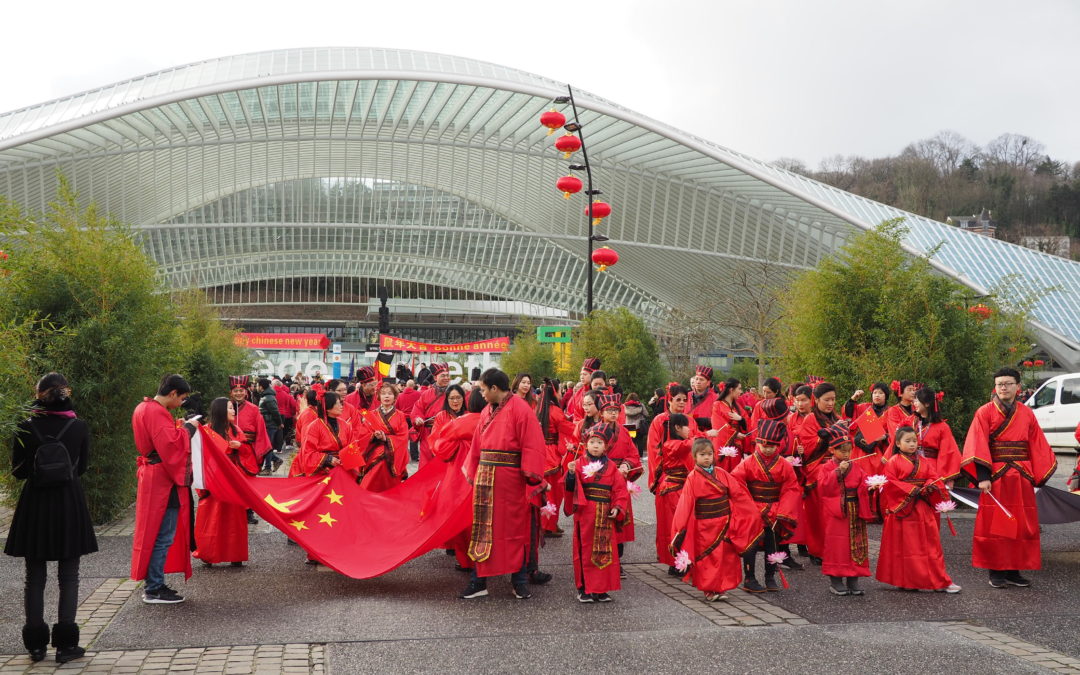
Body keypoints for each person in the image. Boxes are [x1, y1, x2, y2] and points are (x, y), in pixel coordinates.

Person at [6, 373, 97, 663]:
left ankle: (35, 645)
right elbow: (81, 467)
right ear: (66, 393)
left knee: (34, 578)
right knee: (69, 576)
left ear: (39, 393)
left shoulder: (26, 424)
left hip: (36, 505)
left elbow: (18, 471)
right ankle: (67, 645)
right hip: (69, 503)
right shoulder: (78, 425)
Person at [961, 367, 1057, 589]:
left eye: (1008, 383)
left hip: (1021, 477)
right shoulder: (984, 412)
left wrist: (1038, 475)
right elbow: (977, 443)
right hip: (996, 477)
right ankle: (996, 571)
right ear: (995, 388)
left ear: (1018, 387)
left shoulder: (1027, 413)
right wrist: (983, 476)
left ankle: (1014, 570)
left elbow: (1037, 444)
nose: (1003, 387)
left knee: (1020, 524)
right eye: (999, 384)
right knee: (998, 524)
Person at [460, 368, 545, 600]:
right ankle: (479, 582)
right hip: (486, 479)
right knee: (482, 529)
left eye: (483, 389)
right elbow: (477, 444)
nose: (481, 394)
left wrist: (530, 476)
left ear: (494, 388)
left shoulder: (520, 408)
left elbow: (532, 443)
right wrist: (474, 469)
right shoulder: (487, 409)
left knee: (514, 530)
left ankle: (519, 581)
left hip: (510, 480)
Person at [131, 374, 198, 605]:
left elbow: (163, 440)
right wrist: (188, 429)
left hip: (152, 473)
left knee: (152, 533)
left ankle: (154, 584)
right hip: (162, 477)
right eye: (182, 398)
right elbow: (170, 445)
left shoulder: (143, 407)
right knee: (163, 536)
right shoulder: (157, 412)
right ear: (172, 394)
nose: (182, 403)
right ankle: (154, 587)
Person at [670, 438, 762, 602]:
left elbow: (738, 494)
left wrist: (750, 512)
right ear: (694, 457)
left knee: (725, 556)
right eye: (702, 454)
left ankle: (721, 586)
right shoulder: (693, 477)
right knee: (708, 558)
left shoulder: (722, 473)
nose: (706, 457)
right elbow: (686, 503)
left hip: (724, 521)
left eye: (710, 454)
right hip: (704, 525)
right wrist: (679, 528)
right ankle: (709, 589)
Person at [875, 426, 960, 593]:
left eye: (914, 441)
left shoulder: (924, 461)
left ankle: (939, 581)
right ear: (898, 443)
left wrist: (929, 486)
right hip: (903, 509)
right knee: (905, 549)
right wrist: (912, 490)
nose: (912, 444)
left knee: (931, 546)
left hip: (922, 508)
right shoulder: (893, 462)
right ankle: (907, 580)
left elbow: (933, 477)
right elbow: (890, 484)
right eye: (907, 441)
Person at [730, 417, 800, 593]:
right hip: (752, 509)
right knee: (750, 544)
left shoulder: (784, 465)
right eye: (765, 446)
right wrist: (749, 507)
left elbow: (791, 489)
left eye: (773, 446)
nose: (768, 450)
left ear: (778, 446)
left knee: (772, 544)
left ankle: (770, 576)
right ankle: (750, 578)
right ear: (758, 443)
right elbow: (735, 483)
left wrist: (782, 511)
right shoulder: (748, 463)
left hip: (775, 510)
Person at [564, 422, 629, 603]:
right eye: (592, 442)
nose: (595, 446)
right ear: (586, 444)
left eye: (599, 443)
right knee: (584, 551)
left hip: (605, 514)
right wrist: (570, 475)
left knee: (605, 551)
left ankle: (601, 589)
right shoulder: (578, 463)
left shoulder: (612, 468)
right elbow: (570, 488)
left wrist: (617, 507)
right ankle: (584, 588)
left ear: (605, 446)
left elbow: (619, 490)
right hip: (586, 514)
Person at [431, 388, 487, 572]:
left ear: (468, 401)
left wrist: (458, 446)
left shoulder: (462, 422)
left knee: (462, 517)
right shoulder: (494, 420)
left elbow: (439, 445)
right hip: (488, 474)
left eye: (459, 397)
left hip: (461, 474)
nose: (455, 401)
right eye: (452, 398)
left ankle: (466, 561)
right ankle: (485, 558)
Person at [816, 420, 873, 596]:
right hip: (838, 511)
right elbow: (823, 488)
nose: (847, 454)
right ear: (832, 450)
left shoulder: (857, 467)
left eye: (849, 450)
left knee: (856, 545)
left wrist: (870, 487)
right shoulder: (826, 467)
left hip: (855, 510)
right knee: (837, 545)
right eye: (842, 450)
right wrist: (837, 472)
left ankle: (853, 579)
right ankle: (836, 580)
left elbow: (863, 483)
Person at [193, 397, 249, 568]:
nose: (233, 411)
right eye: (230, 408)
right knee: (212, 517)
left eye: (233, 408)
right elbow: (199, 456)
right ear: (220, 411)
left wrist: (240, 447)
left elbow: (248, 453)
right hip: (214, 480)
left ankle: (235, 553)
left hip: (233, 479)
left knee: (234, 518)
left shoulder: (236, 430)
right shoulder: (205, 431)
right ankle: (209, 553)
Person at [650, 411, 694, 572]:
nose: (689, 430)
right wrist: (708, 433)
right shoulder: (672, 444)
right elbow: (691, 443)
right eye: (686, 427)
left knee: (680, 525)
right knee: (673, 527)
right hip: (671, 491)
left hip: (678, 489)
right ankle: (675, 562)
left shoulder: (676, 443)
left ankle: (681, 560)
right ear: (677, 427)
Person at [535, 379, 576, 536]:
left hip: (539, 452)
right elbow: (568, 428)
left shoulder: (539, 408)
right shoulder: (555, 411)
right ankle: (548, 525)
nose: (562, 394)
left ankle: (545, 523)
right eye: (560, 391)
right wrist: (584, 427)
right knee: (554, 492)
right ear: (555, 392)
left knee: (543, 491)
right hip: (551, 453)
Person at [898, 387, 962, 486]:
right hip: (910, 465)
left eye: (917, 400)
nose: (914, 403)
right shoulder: (910, 421)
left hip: (931, 469)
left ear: (927, 403)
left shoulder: (942, 427)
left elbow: (948, 452)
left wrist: (948, 479)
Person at [358, 383, 409, 491]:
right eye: (383, 393)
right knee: (374, 471)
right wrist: (374, 436)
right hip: (374, 450)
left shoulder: (400, 415)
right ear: (379, 397)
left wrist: (386, 438)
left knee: (384, 463)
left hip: (394, 453)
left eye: (390, 394)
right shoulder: (371, 414)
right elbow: (362, 434)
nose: (386, 396)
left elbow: (403, 437)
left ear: (395, 397)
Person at [844, 382, 890, 475]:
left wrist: (884, 436)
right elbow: (849, 413)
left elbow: (894, 432)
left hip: (881, 449)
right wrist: (853, 398)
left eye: (881, 393)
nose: (877, 395)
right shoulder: (864, 407)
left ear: (886, 396)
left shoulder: (890, 411)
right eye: (875, 392)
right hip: (862, 449)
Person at [412, 362, 451, 468]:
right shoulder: (426, 394)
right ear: (435, 377)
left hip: (447, 434)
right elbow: (417, 409)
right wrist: (418, 418)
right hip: (428, 434)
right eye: (443, 375)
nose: (446, 378)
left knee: (445, 464)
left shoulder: (454, 393)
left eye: (448, 375)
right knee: (427, 464)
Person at [709, 378, 747, 472]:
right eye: (739, 388)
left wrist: (741, 419)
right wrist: (735, 434)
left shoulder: (737, 407)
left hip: (736, 445)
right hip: (723, 443)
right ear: (731, 390)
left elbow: (747, 421)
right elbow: (718, 425)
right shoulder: (717, 405)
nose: (740, 392)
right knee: (721, 471)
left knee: (735, 473)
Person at [256, 378, 284, 474]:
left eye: (257, 385)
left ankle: (268, 468)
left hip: (270, 425)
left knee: (267, 447)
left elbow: (275, 412)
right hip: (266, 424)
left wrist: (279, 423)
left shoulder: (268, 398)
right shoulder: (266, 396)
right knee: (266, 446)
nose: (256, 387)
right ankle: (275, 460)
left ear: (261, 386)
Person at [565, 357, 601, 422]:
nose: (582, 377)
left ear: (592, 375)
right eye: (581, 374)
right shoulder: (579, 392)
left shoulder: (599, 392)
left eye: (584, 374)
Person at [686, 366, 718, 431]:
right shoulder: (686, 396)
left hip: (706, 437)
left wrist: (706, 421)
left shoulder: (715, 398)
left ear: (708, 383)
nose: (698, 382)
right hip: (687, 436)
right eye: (696, 379)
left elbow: (719, 421)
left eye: (701, 379)